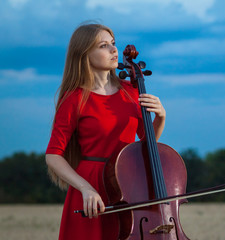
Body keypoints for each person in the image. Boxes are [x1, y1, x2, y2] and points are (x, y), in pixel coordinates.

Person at [45, 23, 166, 240]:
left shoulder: (130, 91)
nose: (114, 50)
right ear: (84, 55)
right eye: (103, 45)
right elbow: (53, 155)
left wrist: (160, 118)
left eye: (113, 43)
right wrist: (86, 188)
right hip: (92, 185)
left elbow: (146, 145)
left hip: (128, 185)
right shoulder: (74, 99)